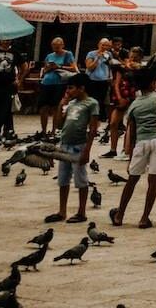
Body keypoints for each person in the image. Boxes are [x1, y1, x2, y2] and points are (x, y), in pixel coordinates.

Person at [111, 69, 156, 229]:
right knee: (153, 181)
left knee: (132, 179)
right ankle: (144, 218)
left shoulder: (135, 104)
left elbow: (131, 130)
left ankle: (120, 215)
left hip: (141, 142)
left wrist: (130, 153)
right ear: (154, 83)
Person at [50, 74, 99, 224]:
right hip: (65, 144)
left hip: (79, 145)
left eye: (71, 88)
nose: (68, 91)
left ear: (81, 88)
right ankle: (62, 211)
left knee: (81, 180)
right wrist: (61, 105)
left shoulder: (91, 103)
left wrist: (87, 150)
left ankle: (81, 212)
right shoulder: (70, 104)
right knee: (63, 179)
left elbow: (93, 128)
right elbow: (59, 124)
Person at [36, 37, 77, 138]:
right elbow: (44, 69)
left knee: (56, 108)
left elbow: (74, 68)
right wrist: (48, 68)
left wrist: (59, 66)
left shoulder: (67, 54)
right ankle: (44, 131)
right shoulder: (49, 56)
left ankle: (54, 130)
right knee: (43, 108)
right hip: (46, 82)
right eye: (54, 45)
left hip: (59, 83)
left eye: (58, 46)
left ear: (62, 45)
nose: (56, 48)